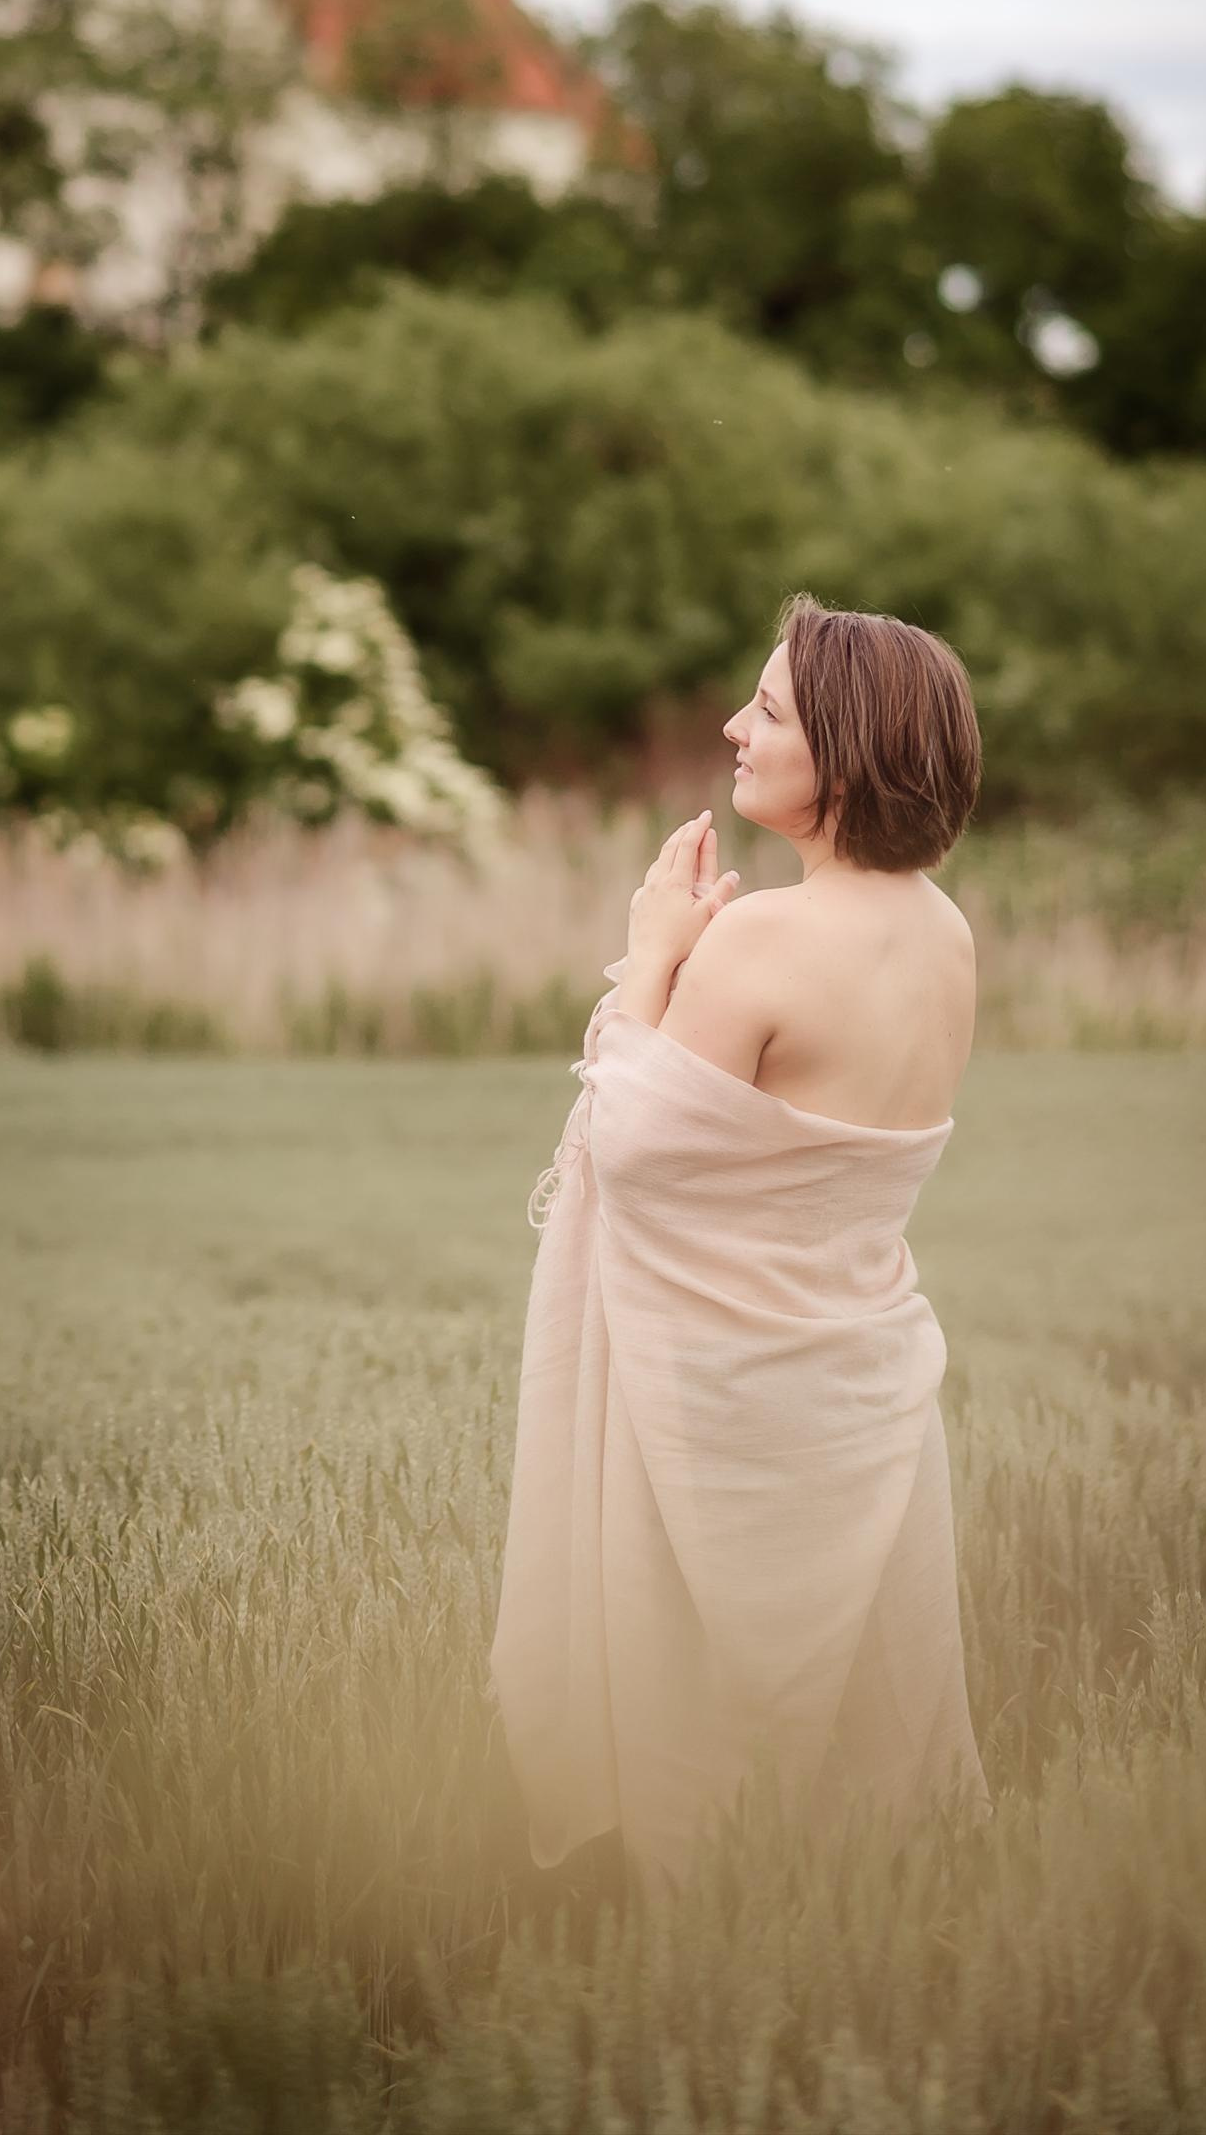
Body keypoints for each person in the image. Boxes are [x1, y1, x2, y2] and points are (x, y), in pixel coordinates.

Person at [488, 588, 992, 1893]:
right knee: (861, 1729)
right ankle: (882, 1946)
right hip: (865, 1380)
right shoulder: (945, 935)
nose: (732, 725)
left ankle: (717, 1944)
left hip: (727, 1395)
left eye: (766, 710)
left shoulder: (764, 935)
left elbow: (625, 1146)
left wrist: (651, 955)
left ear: (847, 749)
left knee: (704, 1703)